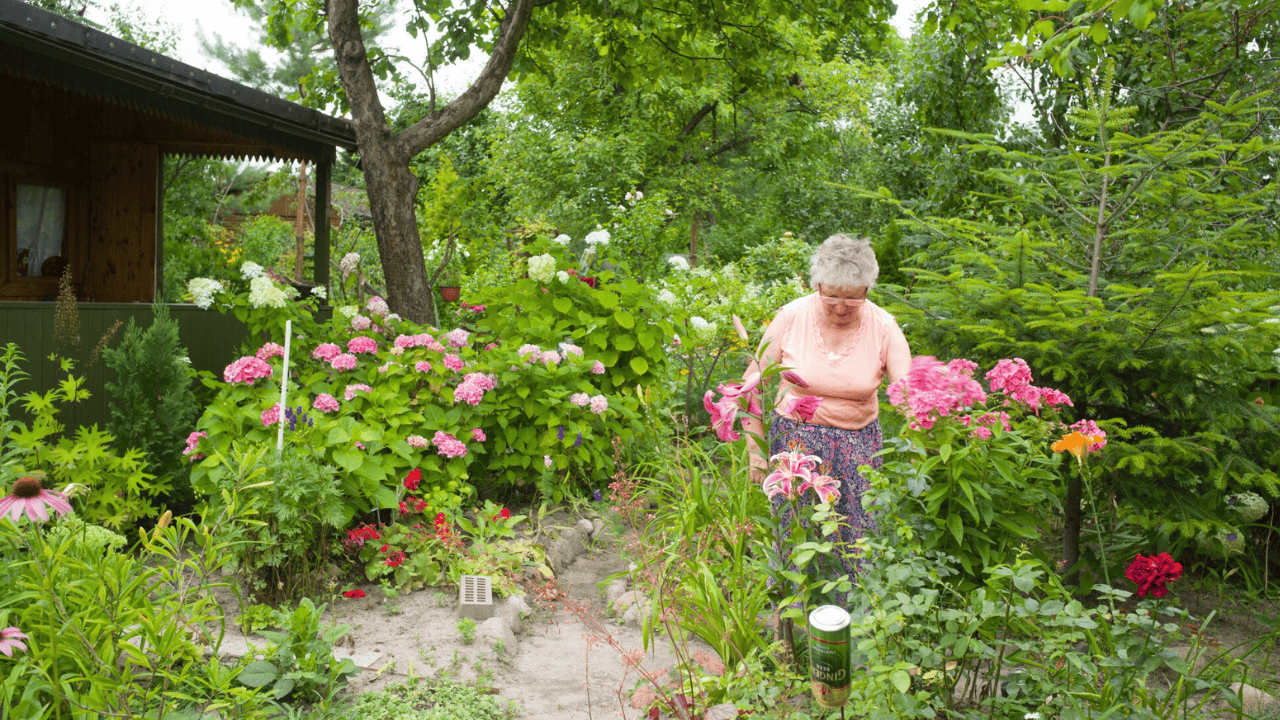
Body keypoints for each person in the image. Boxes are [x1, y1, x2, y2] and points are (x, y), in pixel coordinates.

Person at [740, 233, 911, 585]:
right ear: (816, 283)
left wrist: (925, 430)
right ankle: (793, 630)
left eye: (854, 296)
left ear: (867, 289)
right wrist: (756, 452)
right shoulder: (791, 316)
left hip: (858, 453)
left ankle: (851, 628)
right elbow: (749, 388)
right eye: (831, 294)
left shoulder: (883, 326)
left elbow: (910, 394)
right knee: (796, 543)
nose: (841, 305)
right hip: (795, 451)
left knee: (855, 545)